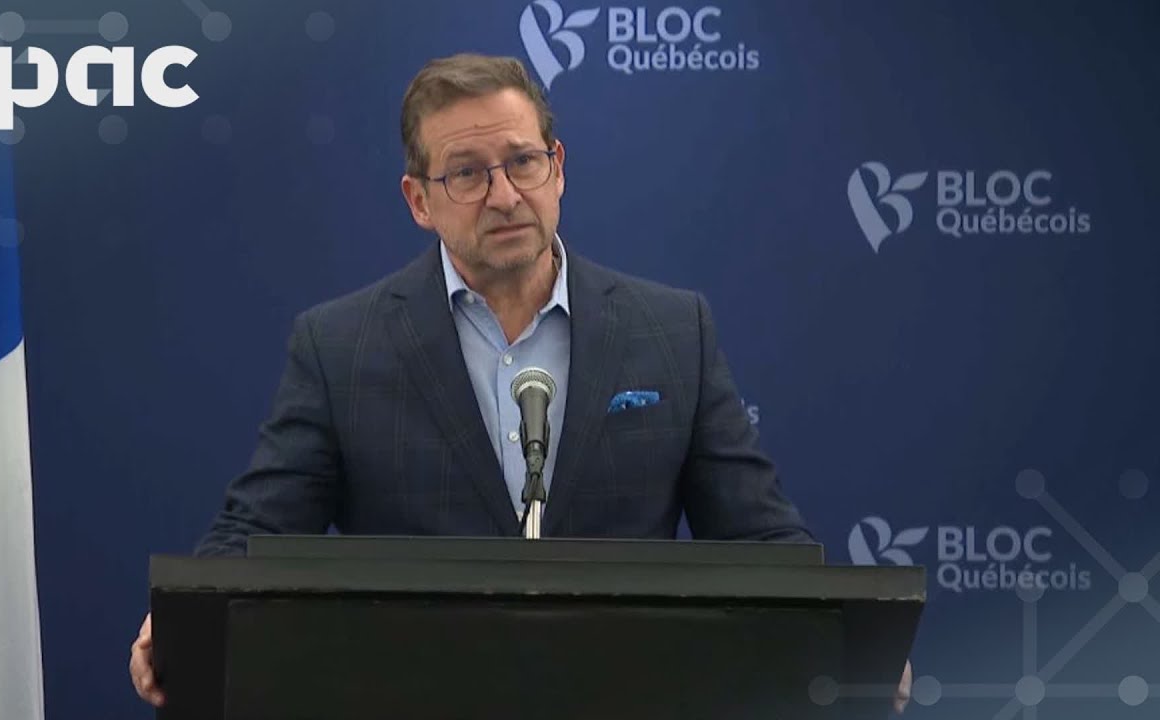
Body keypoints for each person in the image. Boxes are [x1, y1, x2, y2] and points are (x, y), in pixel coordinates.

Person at [129, 53, 911, 712]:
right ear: (419, 200)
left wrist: (850, 638)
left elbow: (759, 537)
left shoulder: (673, 331)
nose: (504, 196)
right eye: (467, 174)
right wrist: (184, 624)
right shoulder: (340, 346)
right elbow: (257, 529)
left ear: (557, 167)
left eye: (522, 162)